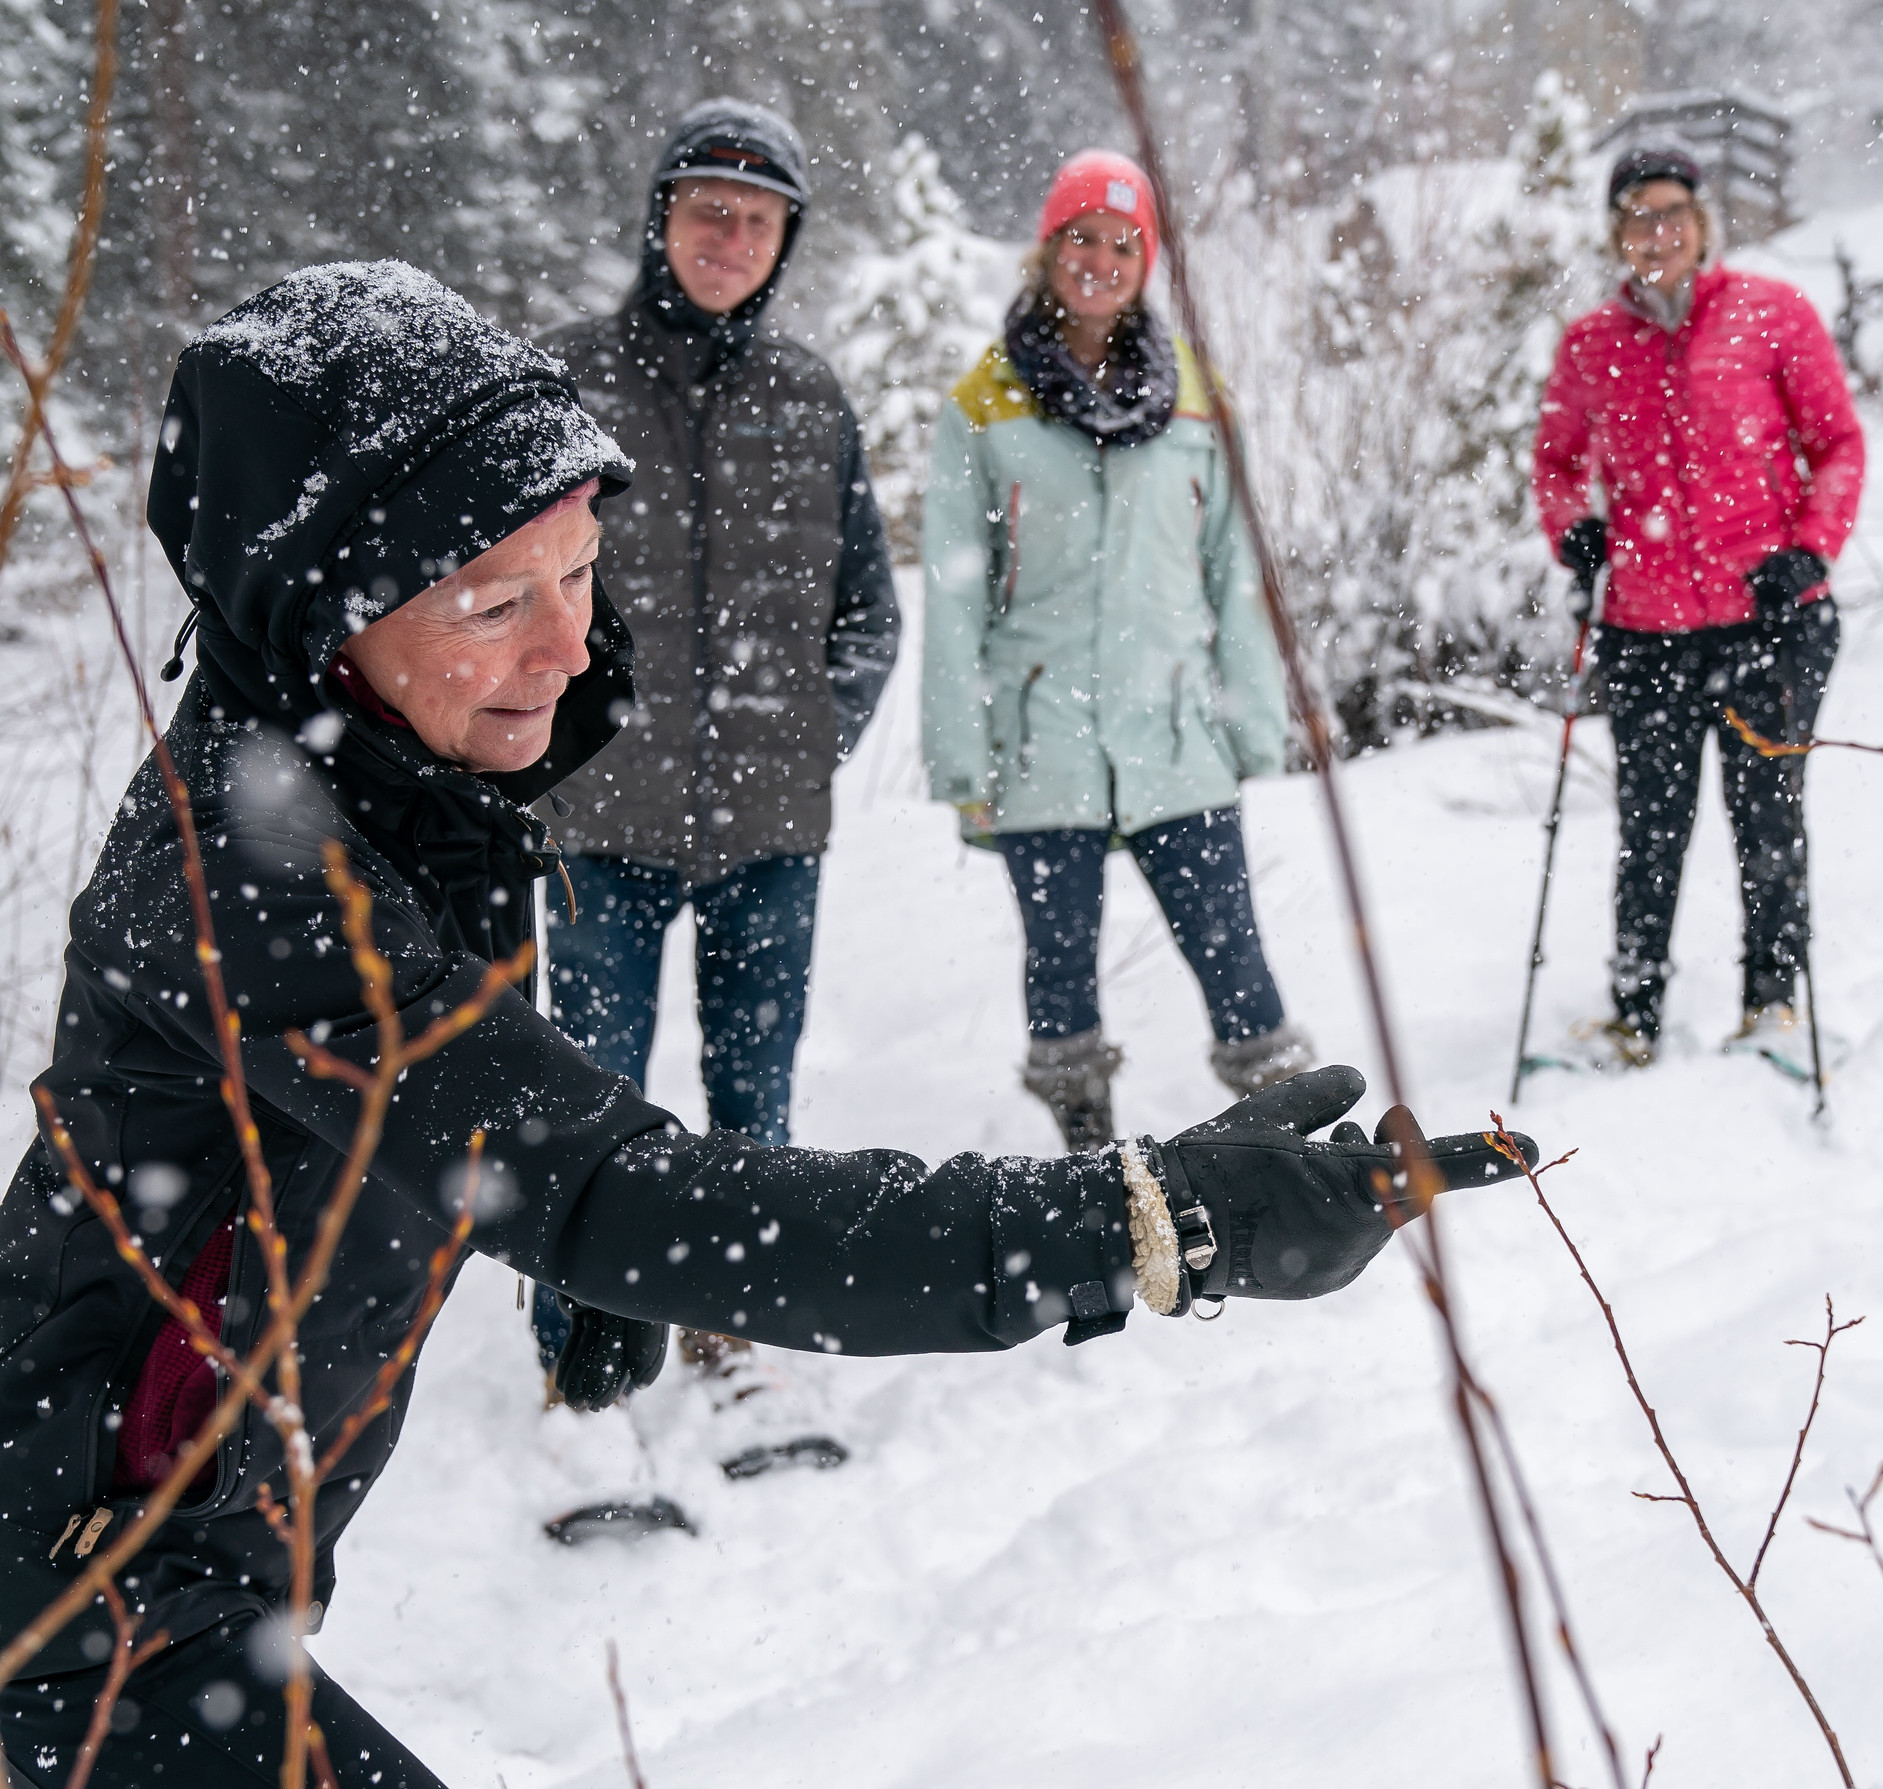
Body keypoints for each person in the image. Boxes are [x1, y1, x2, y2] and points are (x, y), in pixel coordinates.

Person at [0, 263, 1530, 1787]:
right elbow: (601, 1177)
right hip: (82, 1609)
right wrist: (1142, 1221)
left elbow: (446, 1097)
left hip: (200, 1565)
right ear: (322, 606)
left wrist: (531, 1219)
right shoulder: (238, 879)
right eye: (495, 600)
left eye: (581, 574)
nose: (568, 647)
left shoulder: (412, 776)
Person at [532, 100, 899, 1391]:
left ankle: (731, 1317)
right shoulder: (566, 381)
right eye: (709, 210)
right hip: (598, 824)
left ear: (784, 241)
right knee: (588, 1102)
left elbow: (870, 611)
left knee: (755, 1107)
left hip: (768, 830)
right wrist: (545, 746)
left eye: (759, 219)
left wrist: (808, 738)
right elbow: (501, 585)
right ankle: (581, 1337)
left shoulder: (811, 400)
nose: (732, 238)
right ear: (662, 222)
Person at [922, 149, 1311, 1152]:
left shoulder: (1192, 394)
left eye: (1122, 243)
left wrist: (1254, 719)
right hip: (1037, 736)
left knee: (1233, 958)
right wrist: (960, 755)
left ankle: (1280, 1149)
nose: (1099, 260)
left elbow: (1235, 569)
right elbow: (953, 592)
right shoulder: (983, 402)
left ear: (1148, 262)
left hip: (1175, 727)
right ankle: (1088, 1169)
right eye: (1080, 239)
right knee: (1058, 969)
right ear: (1046, 250)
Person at [1532, 145, 1864, 1068]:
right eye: (1638, 216)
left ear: (1702, 224)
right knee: (1650, 826)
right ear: (1616, 232)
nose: (1658, 232)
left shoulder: (1772, 316)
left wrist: (1808, 551)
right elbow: (1556, 462)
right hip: (1644, 632)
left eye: (1674, 213)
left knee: (1767, 814)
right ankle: (1633, 1015)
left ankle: (1773, 1004)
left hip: (1769, 618)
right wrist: (1575, 531)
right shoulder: (1593, 344)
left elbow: (1837, 442)